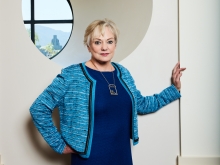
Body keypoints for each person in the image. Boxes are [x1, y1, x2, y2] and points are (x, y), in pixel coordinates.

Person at [30, 18, 186, 165]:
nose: (104, 47)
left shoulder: (123, 73)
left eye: (109, 42)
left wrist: (173, 89)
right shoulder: (72, 76)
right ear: (88, 45)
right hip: (89, 159)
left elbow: (141, 104)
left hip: (122, 156)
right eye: (98, 42)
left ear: (115, 45)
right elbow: (39, 108)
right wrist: (59, 145)